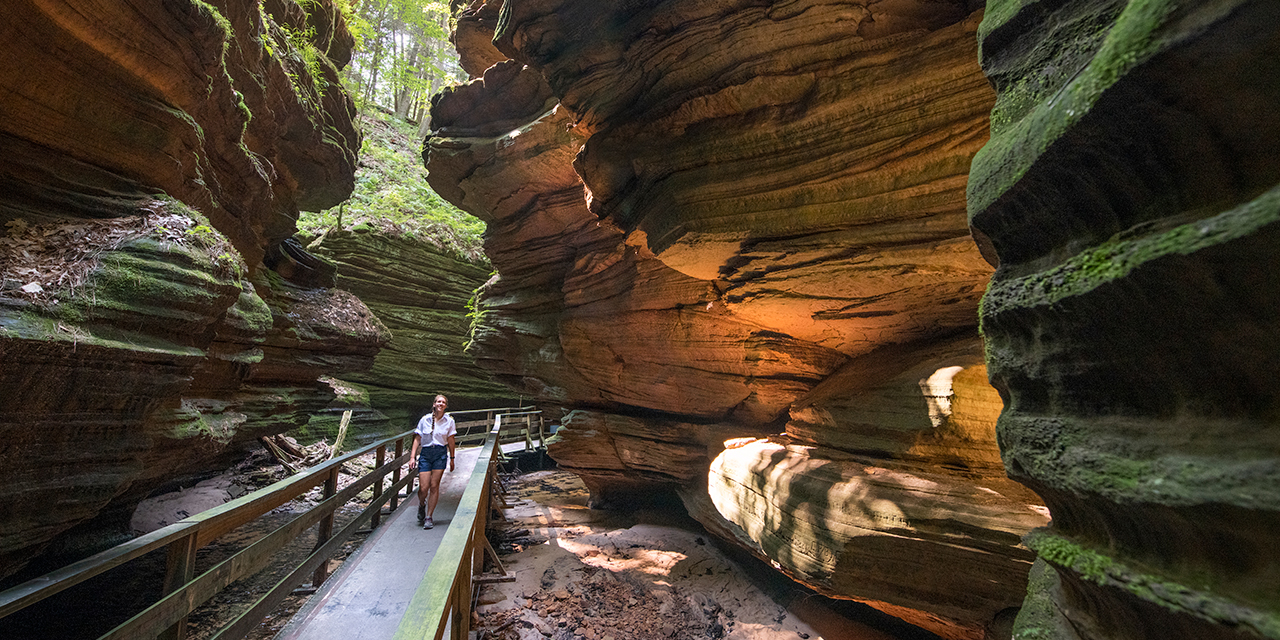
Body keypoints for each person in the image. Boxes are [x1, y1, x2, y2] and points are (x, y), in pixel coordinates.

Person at [408, 394, 456, 529]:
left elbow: (451, 440)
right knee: (423, 488)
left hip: (440, 453)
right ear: (434, 404)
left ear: (446, 406)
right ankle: (422, 504)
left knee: (434, 486)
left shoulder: (449, 421)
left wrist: (452, 458)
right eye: (439, 402)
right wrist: (412, 457)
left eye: (444, 402)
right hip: (426, 454)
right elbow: (417, 438)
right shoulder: (425, 420)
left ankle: (429, 517)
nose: (441, 404)